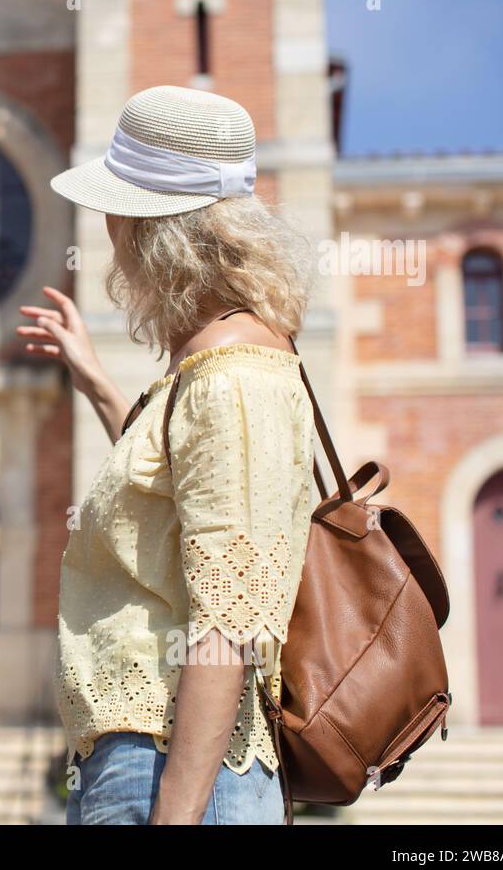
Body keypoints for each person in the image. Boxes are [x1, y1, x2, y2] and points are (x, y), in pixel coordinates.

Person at [20, 86, 315, 825]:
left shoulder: (235, 378)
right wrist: (94, 380)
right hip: (145, 763)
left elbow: (228, 622)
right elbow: (171, 499)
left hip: (175, 773)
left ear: (152, 230)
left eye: (117, 214)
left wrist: (175, 817)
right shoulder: (205, 367)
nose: (109, 234)